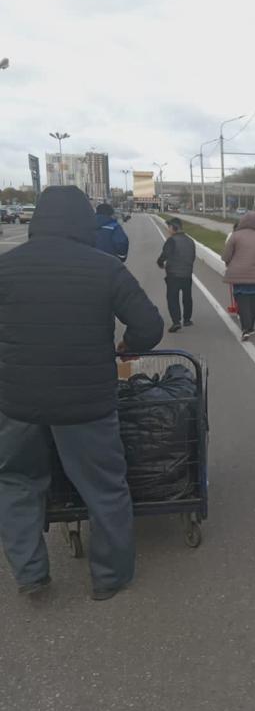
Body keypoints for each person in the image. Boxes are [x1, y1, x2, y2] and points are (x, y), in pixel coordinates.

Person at [0, 186, 164, 600]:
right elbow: (149, 326)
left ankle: (31, 573)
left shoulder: (6, 268)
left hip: (16, 403)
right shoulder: (105, 268)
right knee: (105, 487)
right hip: (86, 405)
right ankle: (110, 577)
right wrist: (126, 348)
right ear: (84, 223)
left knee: (17, 482)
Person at [222, 211, 255, 340]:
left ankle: (245, 327)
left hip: (238, 275)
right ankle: (250, 326)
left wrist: (230, 264)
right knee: (253, 301)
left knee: (242, 301)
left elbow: (226, 256)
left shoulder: (235, 236)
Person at [157, 217, 196, 333]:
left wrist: (160, 263)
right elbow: (193, 257)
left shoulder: (172, 240)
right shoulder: (190, 240)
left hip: (173, 274)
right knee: (187, 297)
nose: (168, 229)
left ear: (173, 228)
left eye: (169, 227)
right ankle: (187, 319)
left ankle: (176, 321)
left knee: (172, 298)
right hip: (187, 273)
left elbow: (165, 255)